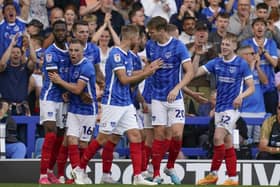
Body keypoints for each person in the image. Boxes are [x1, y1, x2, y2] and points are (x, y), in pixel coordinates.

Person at [71, 24, 162, 185]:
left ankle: (138, 177)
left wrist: (148, 69)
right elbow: (124, 79)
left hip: (126, 103)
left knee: (136, 136)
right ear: (131, 37)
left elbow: (130, 74)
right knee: (102, 138)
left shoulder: (126, 55)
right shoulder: (116, 54)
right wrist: (146, 73)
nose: (139, 41)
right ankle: (79, 169)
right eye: (138, 38)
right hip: (113, 102)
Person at [196, 33, 255, 185]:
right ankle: (233, 178)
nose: (224, 47)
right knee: (227, 143)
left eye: (228, 44)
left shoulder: (241, 64)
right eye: (223, 44)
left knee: (217, 138)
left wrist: (241, 96)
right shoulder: (216, 62)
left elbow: (251, 88)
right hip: (219, 108)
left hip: (232, 109)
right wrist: (196, 55)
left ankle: (213, 173)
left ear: (234, 47)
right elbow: (194, 73)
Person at [145, 16, 194, 184]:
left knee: (177, 134)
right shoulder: (150, 45)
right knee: (159, 135)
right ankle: (157, 173)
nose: (149, 35)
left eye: (152, 32)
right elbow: (150, 68)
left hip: (175, 97)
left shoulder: (177, 46)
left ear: (161, 31)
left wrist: (176, 88)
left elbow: (190, 72)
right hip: (157, 97)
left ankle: (170, 165)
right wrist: (150, 69)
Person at [49, 38, 97, 184]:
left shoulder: (87, 66)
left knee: (82, 145)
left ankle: (81, 172)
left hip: (88, 111)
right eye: (71, 50)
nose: (73, 53)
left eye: (76, 50)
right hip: (74, 109)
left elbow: (77, 88)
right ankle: (76, 174)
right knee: (70, 140)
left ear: (83, 52)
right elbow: (74, 89)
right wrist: (68, 93)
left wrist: (60, 81)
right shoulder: (70, 65)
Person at [38, 20, 70, 184]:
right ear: (53, 32)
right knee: (50, 133)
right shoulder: (50, 52)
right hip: (50, 97)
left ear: (66, 31)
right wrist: (69, 90)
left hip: (64, 100)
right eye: (57, 30)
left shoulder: (70, 50)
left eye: (62, 30)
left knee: (59, 135)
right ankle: (42, 174)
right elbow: (54, 77)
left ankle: (51, 171)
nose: (60, 33)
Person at [238, 45, 267, 145]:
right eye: (252, 53)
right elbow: (245, 83)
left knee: (258, 142)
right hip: (245, 112)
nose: (255, 55)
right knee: (246, 142)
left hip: (260, 111)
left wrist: (257, 67)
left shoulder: (256, 68)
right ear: (245, 56)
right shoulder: (239, 69)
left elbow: (265, 81)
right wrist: (251, 66)